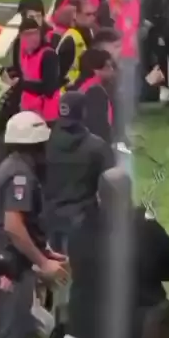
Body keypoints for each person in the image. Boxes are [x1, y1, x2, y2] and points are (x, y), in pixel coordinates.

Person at [67, 167, 169, 338]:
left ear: (98, 197)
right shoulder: (147, 229)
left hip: (84, 333)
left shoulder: (79, 229)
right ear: (128, 196)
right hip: (137, 336)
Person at [0, 111, 68, 338]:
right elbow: (13, 225)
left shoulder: (10, 164)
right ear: (35, 144)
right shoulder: (20, 174)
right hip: (12, 267)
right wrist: (43, 263)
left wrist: (45, 253)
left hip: (10, 261)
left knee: (17, 330)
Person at [44, 91, 114, 244]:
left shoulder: (43, 144)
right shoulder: (97, 146)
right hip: (85, 222)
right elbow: (112, 186)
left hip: (49, 221)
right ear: (84, 112)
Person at [16, 18, 60, 124]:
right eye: (28, 34)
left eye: (35, 33)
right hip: (29, 113)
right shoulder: (28, 54)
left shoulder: (48, 55)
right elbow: (29, 76)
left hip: (45, 116)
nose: (33, 38)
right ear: (21, 37)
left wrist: (21, 84)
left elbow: (49, 88)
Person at [68, 48, 115, 143]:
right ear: (96, 70)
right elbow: (98, 129)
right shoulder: (95, 91)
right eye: (108, 67)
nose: (112, 70)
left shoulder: (80, 87)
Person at [56, 0, 96, 89]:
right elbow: (59, 72)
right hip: (68, 91)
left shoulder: (90, 33)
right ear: (76, 15)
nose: (92, 18)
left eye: (94, 14)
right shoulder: (70, 40)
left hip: (82, 88)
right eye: (88, 14)